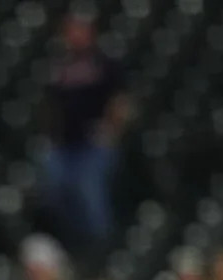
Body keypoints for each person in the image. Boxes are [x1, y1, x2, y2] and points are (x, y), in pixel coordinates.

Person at [43, 13, 130, 252]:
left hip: (95, 145)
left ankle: (104, 247)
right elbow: (51, 105)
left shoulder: (104, 62)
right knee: (54, 188)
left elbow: (121, 101)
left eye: (80, 29)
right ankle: (72, 245)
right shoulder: (60, 64)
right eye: (71, 30)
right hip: (65, 145)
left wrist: (111, 130)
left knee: (88, 188)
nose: (75, 35)